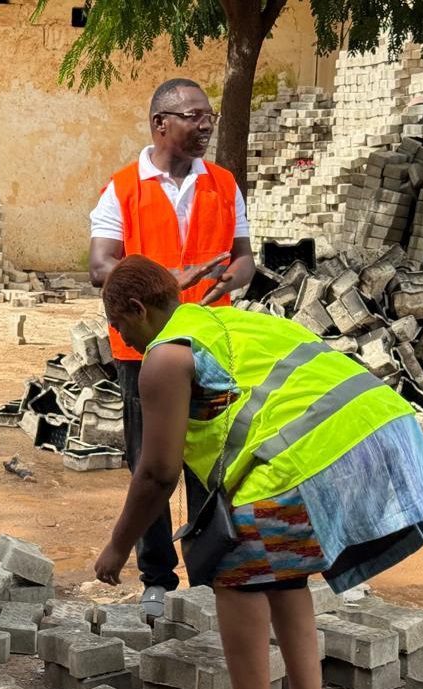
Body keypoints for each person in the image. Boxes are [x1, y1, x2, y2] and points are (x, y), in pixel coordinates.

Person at [93, 255, 423, 689]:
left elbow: (157, 473)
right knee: (283, 575)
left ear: (138, 309)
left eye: (119, 326)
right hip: (386, 436)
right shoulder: (232, 322)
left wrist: (118, 547)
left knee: (233, 570)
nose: (122, 339)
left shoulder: (166, 357)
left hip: (314, 454)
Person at [87, 77, 257, 616]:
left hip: (209, 345)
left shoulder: (223, 184)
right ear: (160, 124)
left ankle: (209, 572)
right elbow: (101, 266)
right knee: (150, 462)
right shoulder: (123, 188)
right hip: (143, 348)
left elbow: (244, 257)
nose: (206, 125)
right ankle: (157, 577)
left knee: (209, 462)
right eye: (194, 116)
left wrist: (233, 278)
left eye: (209, 116)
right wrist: (168, 282)